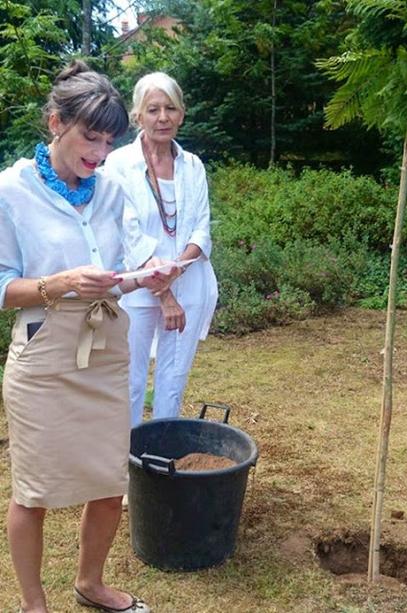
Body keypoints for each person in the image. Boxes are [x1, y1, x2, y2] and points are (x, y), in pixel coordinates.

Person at [0, 60, 168, 613]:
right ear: (55, 122)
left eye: (107, 140)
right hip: (44, 352)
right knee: (34, 490)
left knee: (108, 478)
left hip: (106, 346)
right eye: (88, 137)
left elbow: (126, 258)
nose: (99, 153)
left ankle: (90, 584)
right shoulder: (10, 191)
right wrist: (59, 282)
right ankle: (33, 603)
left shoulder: (111, 189)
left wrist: (151, 273)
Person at [104, 72, 218, 426]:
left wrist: (178, 268)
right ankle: (130, 460)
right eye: (153, 109)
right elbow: (127, 231)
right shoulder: (119, 164)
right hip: (138, 287)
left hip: (189, 281)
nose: (163, 117)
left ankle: (162, 456)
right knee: (131, 380)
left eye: (171, 108)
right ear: (138, 115)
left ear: (182, 114)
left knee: (173, 378)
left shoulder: (193, 165)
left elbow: (201, 228)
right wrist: (164, 292)